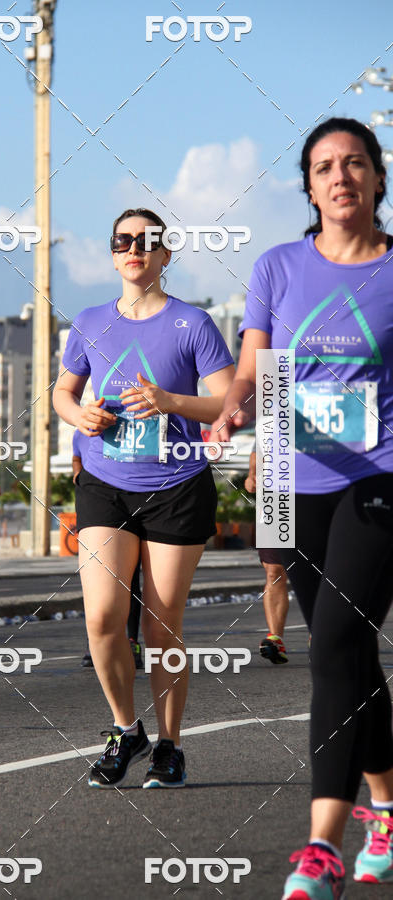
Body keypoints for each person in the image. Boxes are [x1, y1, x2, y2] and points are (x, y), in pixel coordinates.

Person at [210, 118, 393, 897]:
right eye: (324, 167)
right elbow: (251, 368)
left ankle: (320, 847)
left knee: (334, 650)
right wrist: (231, 409)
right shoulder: (278, 268)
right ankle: (386, 807)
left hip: (377, 480)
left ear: (379, 179)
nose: (340, 176)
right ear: (309, 187)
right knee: (342, 654)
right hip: (287, 482)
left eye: (355, 163)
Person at [53, 207, 234, 788]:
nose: (134, 248)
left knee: (161, 626)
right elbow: (62, 390)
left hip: (177, 486)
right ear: (112, 253)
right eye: (122, 240)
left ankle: (170, 744)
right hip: (105, 483)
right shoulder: (87, 321)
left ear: (165, 254)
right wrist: (77, 414)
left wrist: (170, 401)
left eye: (146, 240)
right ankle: (125, 728)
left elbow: (229, 404)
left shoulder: (193, 324)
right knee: (104, 617)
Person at [73, 429, 144, 669]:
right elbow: (76, 456)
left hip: (132, 504)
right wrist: (78, 476)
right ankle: (96, 645)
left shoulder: (131, 426)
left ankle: (132, 641)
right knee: (97, 587)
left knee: (130, 581)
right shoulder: (80, 430)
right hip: (97, 505)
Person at [244, 444, 289, 664]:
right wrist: (252, 476)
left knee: (318, 570)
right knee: (274, 571)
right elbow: (258, 450)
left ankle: (319, 634)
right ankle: (276, 639)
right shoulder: (271, 416)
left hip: (316, 494)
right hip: (275, 501)